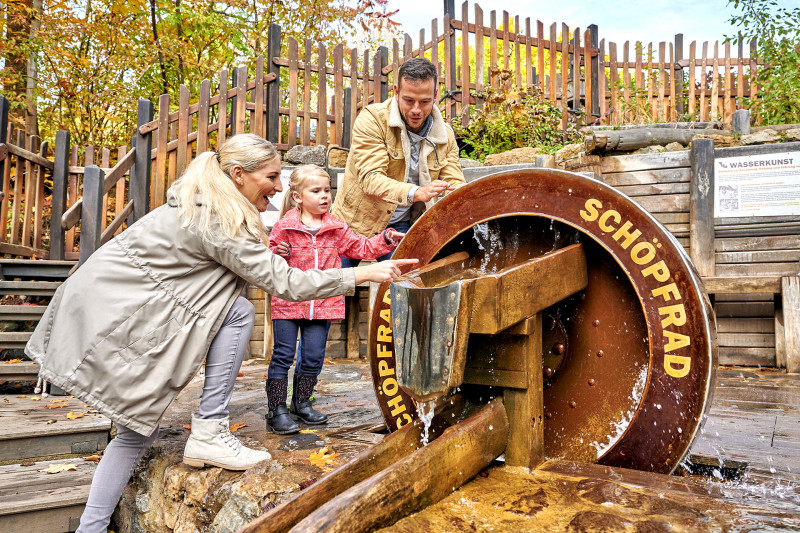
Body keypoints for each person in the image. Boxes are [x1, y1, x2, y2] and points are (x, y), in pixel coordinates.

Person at [24, 134, 416, 533]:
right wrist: (362, 273)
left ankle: (90, 528)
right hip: (114, 311)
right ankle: (209, 428)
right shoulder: (217, 221)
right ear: (238, 175)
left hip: (121, 306)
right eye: (273, 176)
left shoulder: (211, 202)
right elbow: (285, 282)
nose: (280, 187)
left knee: (138, 425)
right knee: (230, 323)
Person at [265, 165, 402, 434]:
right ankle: (277, 409)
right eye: (316, 191)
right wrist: (277, 253)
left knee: (314, 356)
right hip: (288, 304)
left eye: (327, 190)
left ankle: (301, 403)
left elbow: (362, 247)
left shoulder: (337, 227)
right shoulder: (285, 227)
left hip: (324, 303)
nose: (324, 196)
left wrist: (386, 239)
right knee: (283, 355)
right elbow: (267, 260)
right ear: (298, 197)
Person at [330, 56, 465, 267]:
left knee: (403, 290)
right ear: (396, 91)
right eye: (409, 100)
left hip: (400, 226)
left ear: (435, 95)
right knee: (335, 293)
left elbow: (455, 184)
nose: (416, 110)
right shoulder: (372, 119)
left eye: (425, 101)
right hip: (353, 223)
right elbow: (370, 179)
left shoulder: (445, 135)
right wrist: (416, 192)